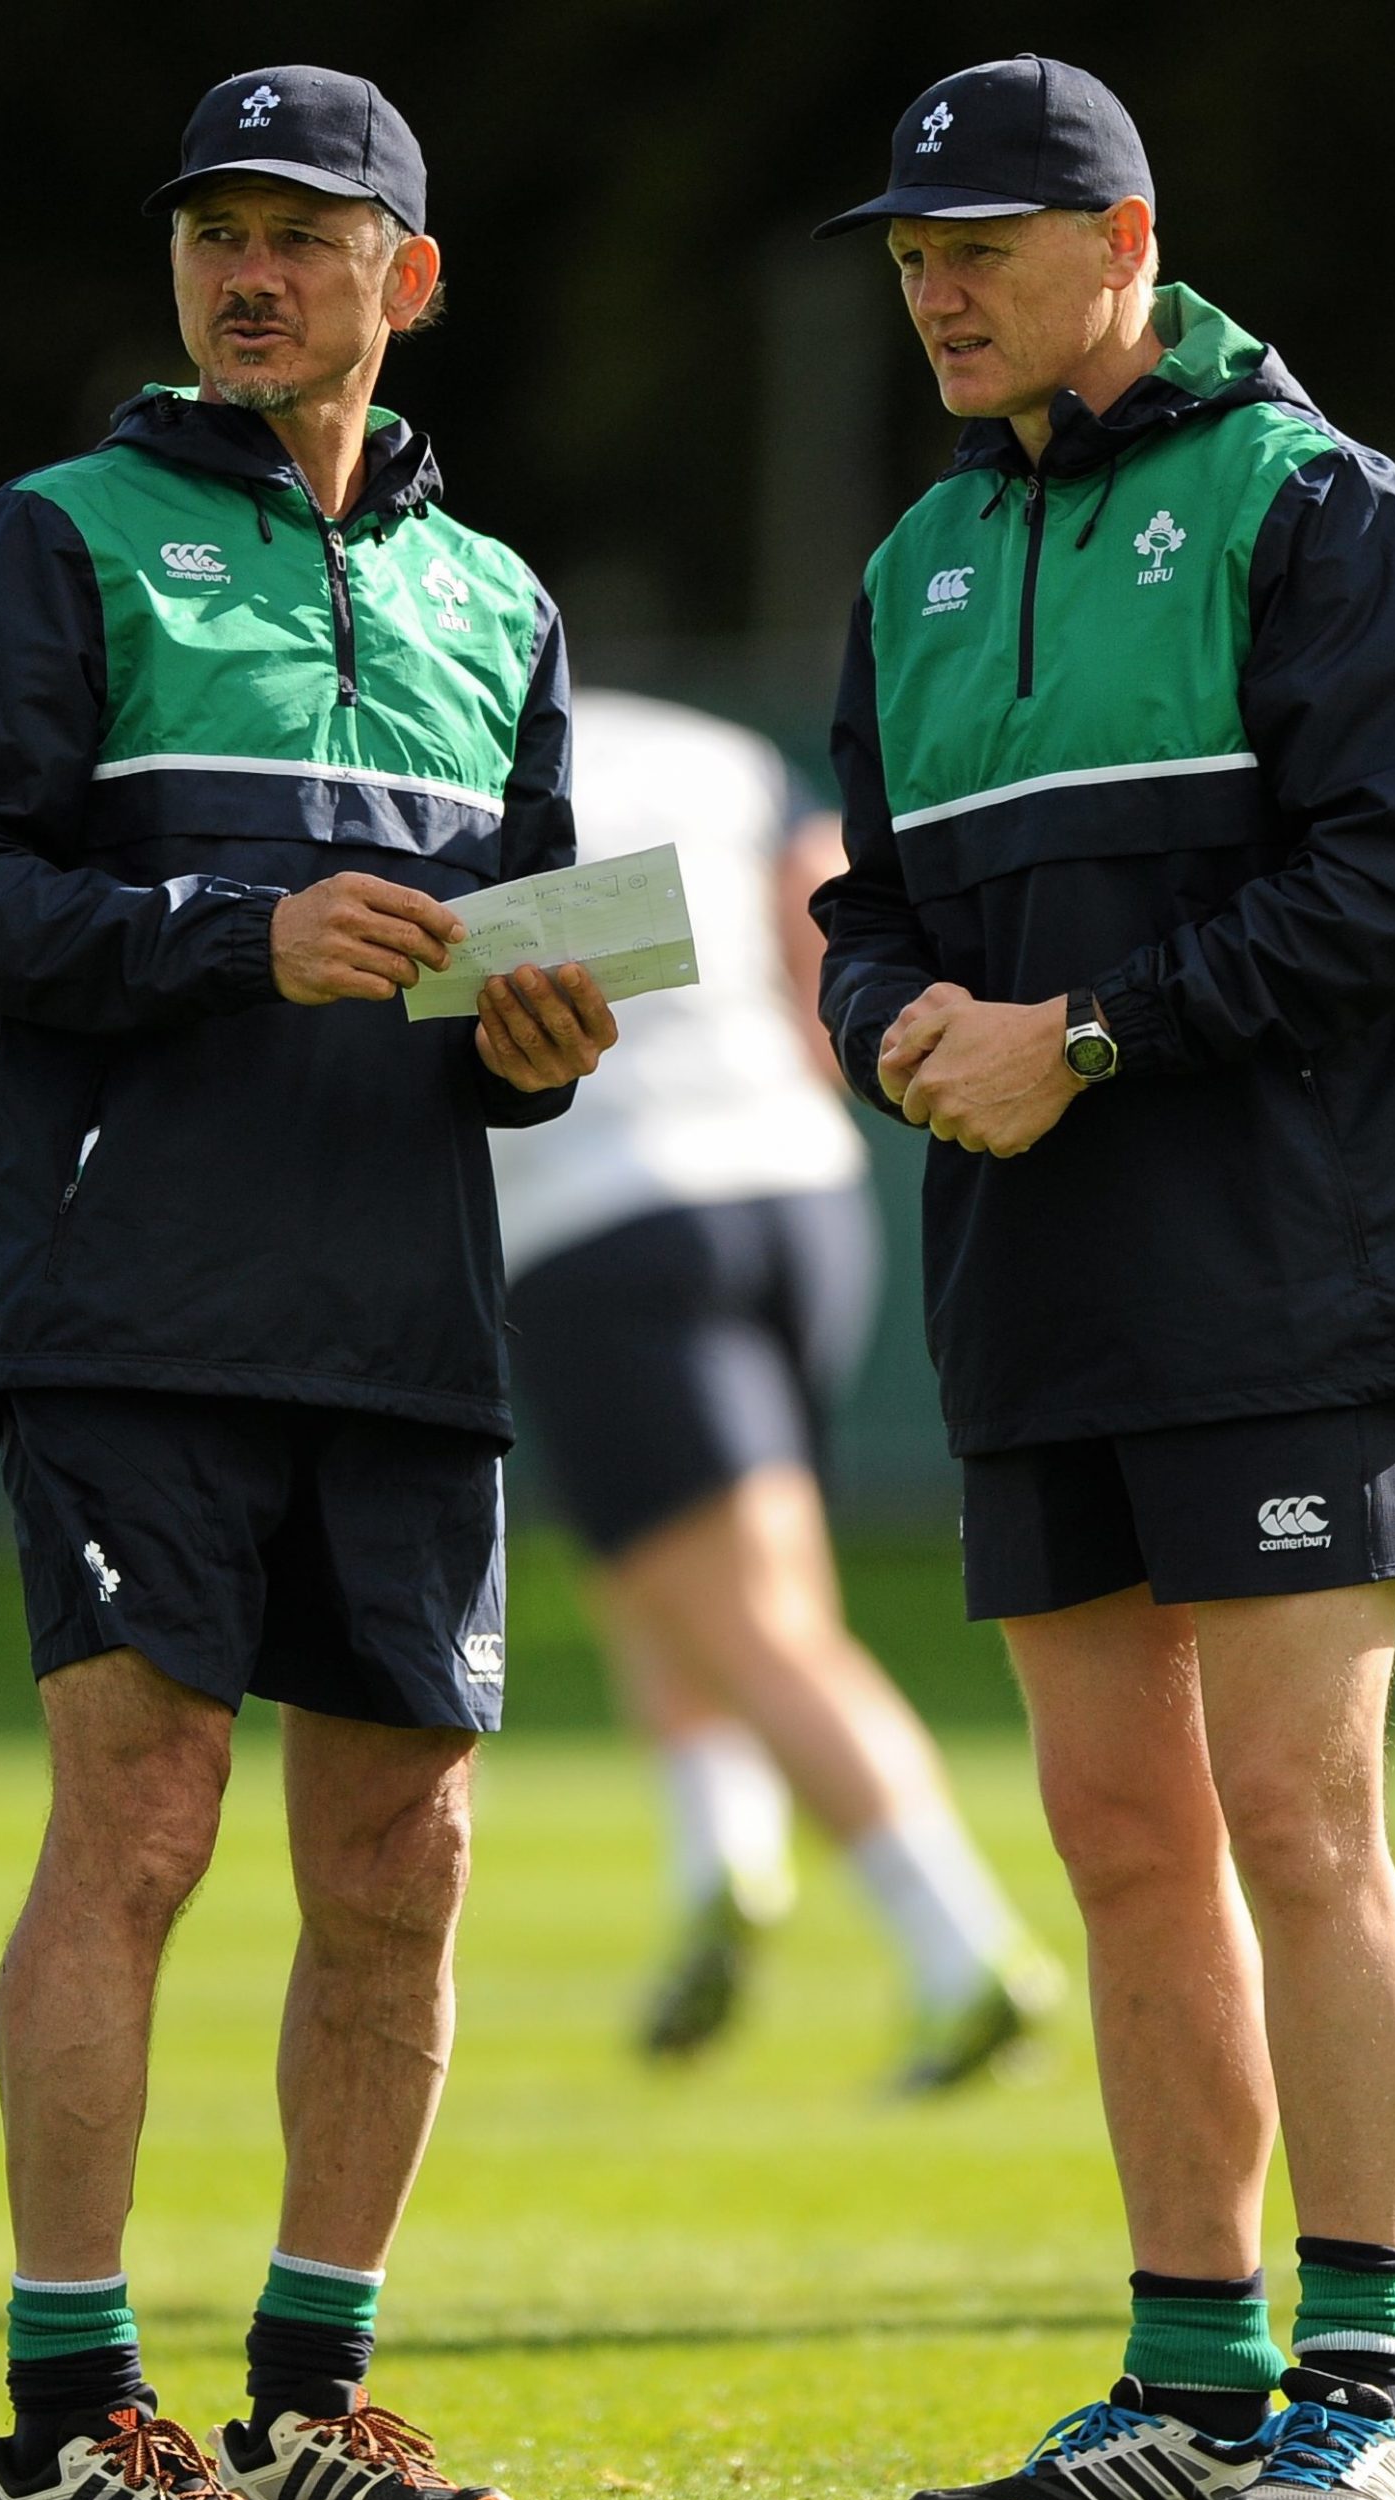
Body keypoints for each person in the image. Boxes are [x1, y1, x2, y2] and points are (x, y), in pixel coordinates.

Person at [0, 66, 615, 2500]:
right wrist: (224, 933)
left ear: (404, 283)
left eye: (304, 234)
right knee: (143, 1818)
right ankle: (65, 2419)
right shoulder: (56, 537)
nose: (248, 272)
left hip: (402, 1313)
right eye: (216, 232)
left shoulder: (496, 599)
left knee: (403, 1851)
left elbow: (518, 971)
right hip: (128, 1293)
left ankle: (316, 2383)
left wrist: (529, 1039)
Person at [810, 55, 1395, 2500]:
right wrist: (891, 1022)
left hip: (1293, 1273)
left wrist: (1076, 1033)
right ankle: (1190, 2375)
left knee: (1300, 1812)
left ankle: (1360, 2387)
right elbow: (861, 899)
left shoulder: (1309, 502)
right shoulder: (913, 563)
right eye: (907, 259)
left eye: (977, 246)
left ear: (1123, 239)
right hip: (1037, 1283)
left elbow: (1387, 888)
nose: (935, 291)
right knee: (1117, 1831)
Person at [491, 688, 1060, 2088]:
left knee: (751, 1618)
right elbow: (818, 914)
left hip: (603, 1213)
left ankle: (961, 1949)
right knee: (665, 1573)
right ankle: (720, 1863)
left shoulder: (439, 759)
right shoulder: (710, 746)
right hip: (795, 1189)